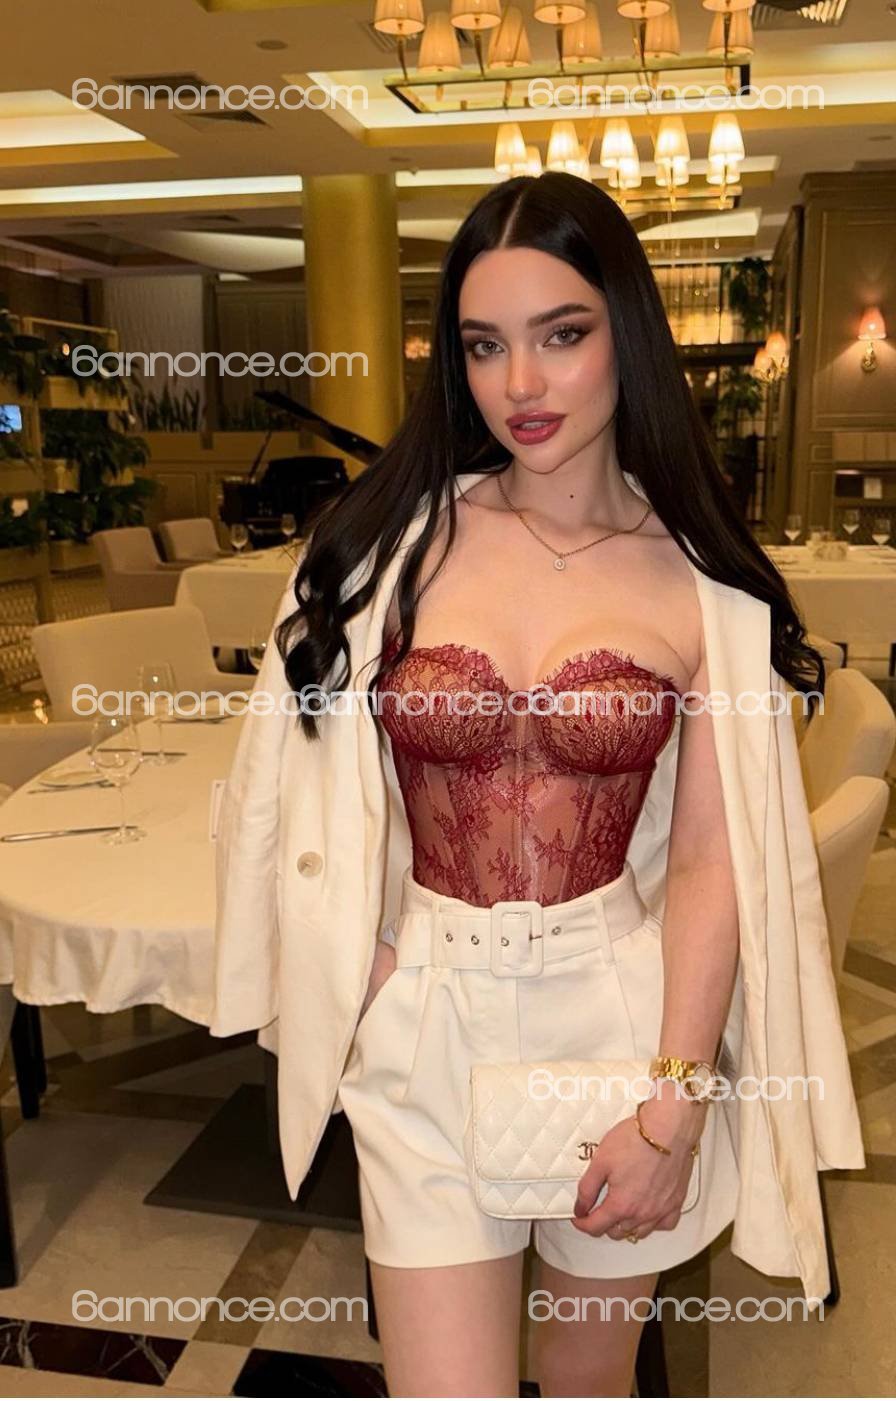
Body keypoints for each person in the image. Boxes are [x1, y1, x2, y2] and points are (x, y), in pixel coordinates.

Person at [211, 173, 864, 1397]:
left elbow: (713, 859)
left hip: (616, 1023)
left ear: (626, 335)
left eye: (560, 335)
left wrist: (673, 1105)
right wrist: (368, 974)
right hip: (425, 1020)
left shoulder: (702, 585)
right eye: (482, 345)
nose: (519, 383)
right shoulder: (385, 548)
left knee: (585, 1381)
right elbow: (278, 792)